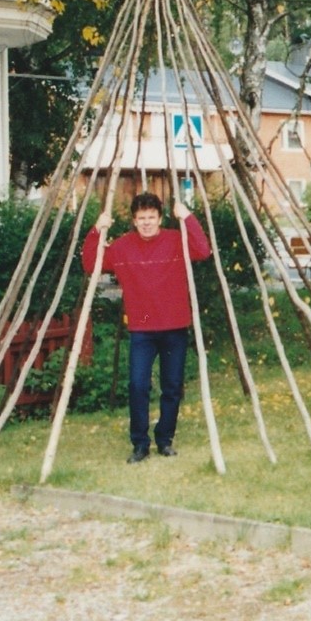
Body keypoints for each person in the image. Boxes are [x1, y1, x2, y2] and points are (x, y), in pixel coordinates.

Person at [82, 192, 211, 463]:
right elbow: (90, 264)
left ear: (160, 218)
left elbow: (203, 250)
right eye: (141, 218)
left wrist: (187, 217)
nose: (147, 223)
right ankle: (140, 444)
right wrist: (96, 230)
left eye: (151, 217)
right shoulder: (121, 248)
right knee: (138, 385)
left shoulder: (176, 241)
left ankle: (165, 439)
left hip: (175, 325)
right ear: (133, 220)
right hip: (141, 329)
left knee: (172, 386)